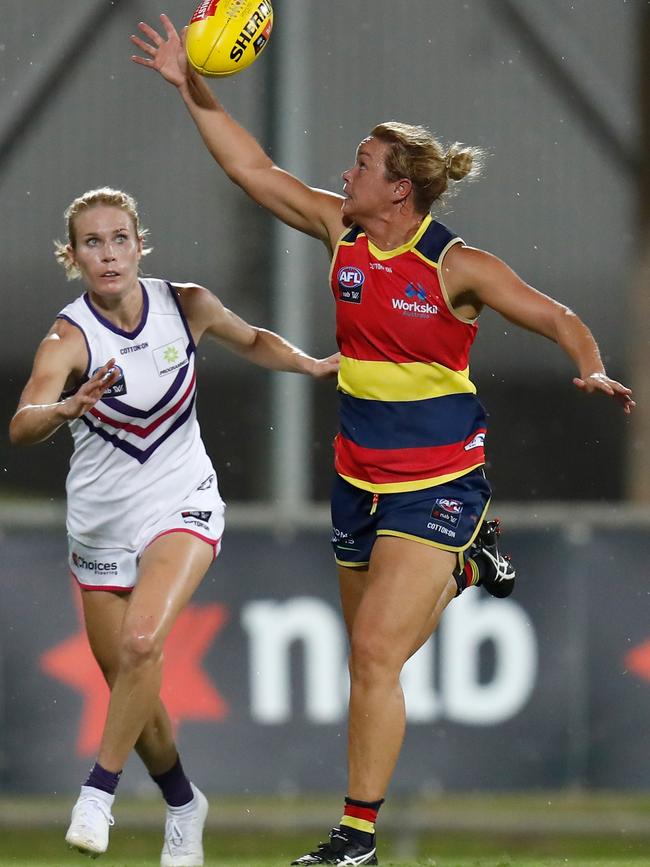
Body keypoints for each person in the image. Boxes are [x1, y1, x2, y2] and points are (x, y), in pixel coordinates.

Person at [131, 17, 636, 866]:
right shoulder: (344, 235)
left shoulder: (456, 265)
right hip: (357, 475)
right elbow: (252, 170)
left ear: (398, 188)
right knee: (372, 659)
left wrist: (588, 363)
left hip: (438, 478)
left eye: (361, 164)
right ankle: (472, 564)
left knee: (372, 654)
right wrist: (192, 87)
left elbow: (556, 315)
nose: (345, 172)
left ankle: (355, 838)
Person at [9, 187, 339, 866]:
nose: (108, 253)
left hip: (182, 499)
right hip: (101, 527)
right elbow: (21, 424)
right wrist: (68, 407)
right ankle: (185, 802)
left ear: (139, 243)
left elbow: (250, 339)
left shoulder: (185, 304)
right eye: (92, 242)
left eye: (119, 237)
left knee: (140, 640)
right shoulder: (69, 336)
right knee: (136, 683)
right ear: (72, 257)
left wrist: (307, 363)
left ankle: (97, 792)